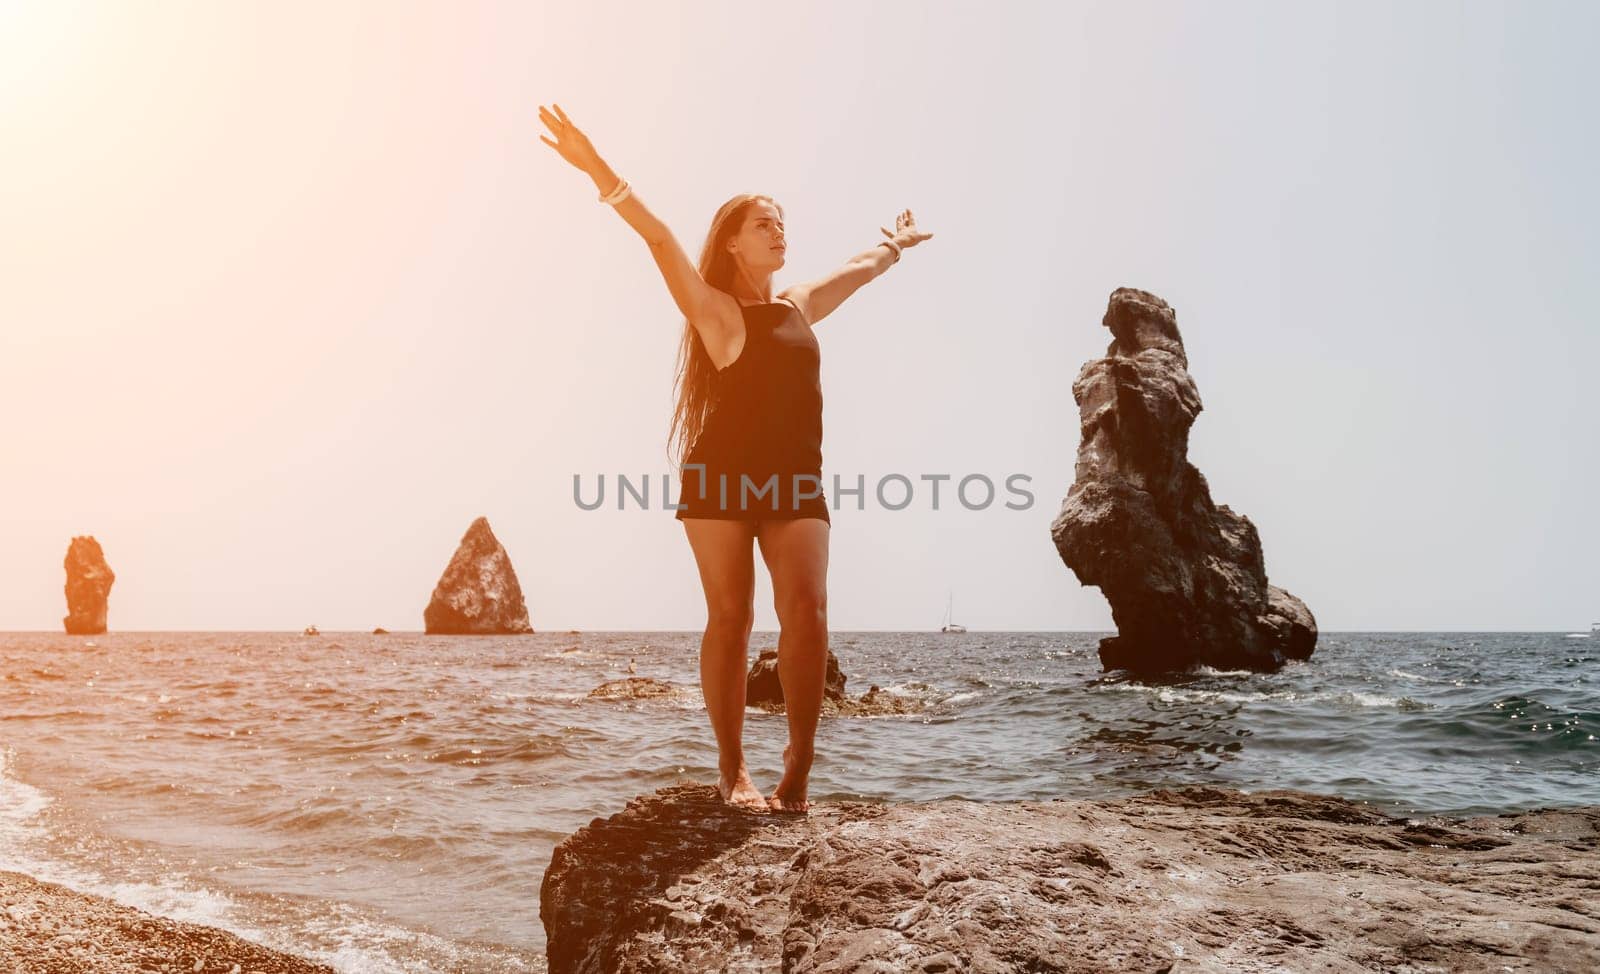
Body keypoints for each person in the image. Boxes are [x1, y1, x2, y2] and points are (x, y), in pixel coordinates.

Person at [537, 103, 932, 813]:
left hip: (795, 481)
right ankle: (731, 768)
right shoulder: (715, 310)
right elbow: (658, 239)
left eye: (782, 221)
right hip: (719, 479)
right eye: (763, 223)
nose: (779, 230)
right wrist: (596, 166)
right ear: (732, 242)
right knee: (732, 616)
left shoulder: (799, 304)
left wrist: (896, 245)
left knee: (806, 609)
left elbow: (859, 268)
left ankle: (800, 762)